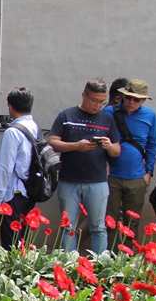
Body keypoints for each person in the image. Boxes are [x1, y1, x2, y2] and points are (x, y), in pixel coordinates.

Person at [48, 78, 120, 254]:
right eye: (94, 100)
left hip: (97, 181)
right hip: (69, 179)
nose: (98, 105)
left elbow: (117, 151)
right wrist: (76, 146)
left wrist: (108, 146)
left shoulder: (107, 119)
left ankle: (99, 264)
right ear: (84, 95)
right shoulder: (66, 116)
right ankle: (68, 264)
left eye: (102, 102)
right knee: (68, 226)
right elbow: (53, 142)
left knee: (98, 227)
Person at [103, 79, 156, 244]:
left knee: (132, 223)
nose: (131, 102)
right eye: (128, 97)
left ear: (144, 100)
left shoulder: (150, 115)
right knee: (109, 221)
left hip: (136, 176)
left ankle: (127, 256)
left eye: (136, 99)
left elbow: (152, 145)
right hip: (111, 175)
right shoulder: (109, 112)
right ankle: (110, 255)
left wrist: (149, 173)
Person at [0, 87, 38, 248]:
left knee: (10, 244)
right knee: (23, 241)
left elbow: (5, 168)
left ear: (10, 107)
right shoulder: (35, 127)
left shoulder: (12, 132)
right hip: (29, 191)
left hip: (13, 193)